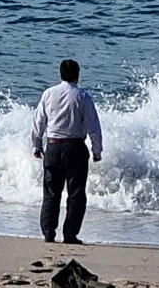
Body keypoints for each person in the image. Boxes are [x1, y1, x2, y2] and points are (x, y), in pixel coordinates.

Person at [31, 59, 102, 244]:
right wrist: (97, 149)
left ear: (60, 74)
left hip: (53, 146)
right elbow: (93, 125)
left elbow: (38, 122)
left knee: (51, 192)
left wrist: (37, 145)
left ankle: (48, 232)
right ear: (77, 75)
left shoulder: (49, 94)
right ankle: (70, 234)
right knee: (76, 193)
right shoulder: (83, 96)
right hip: (75, 148)